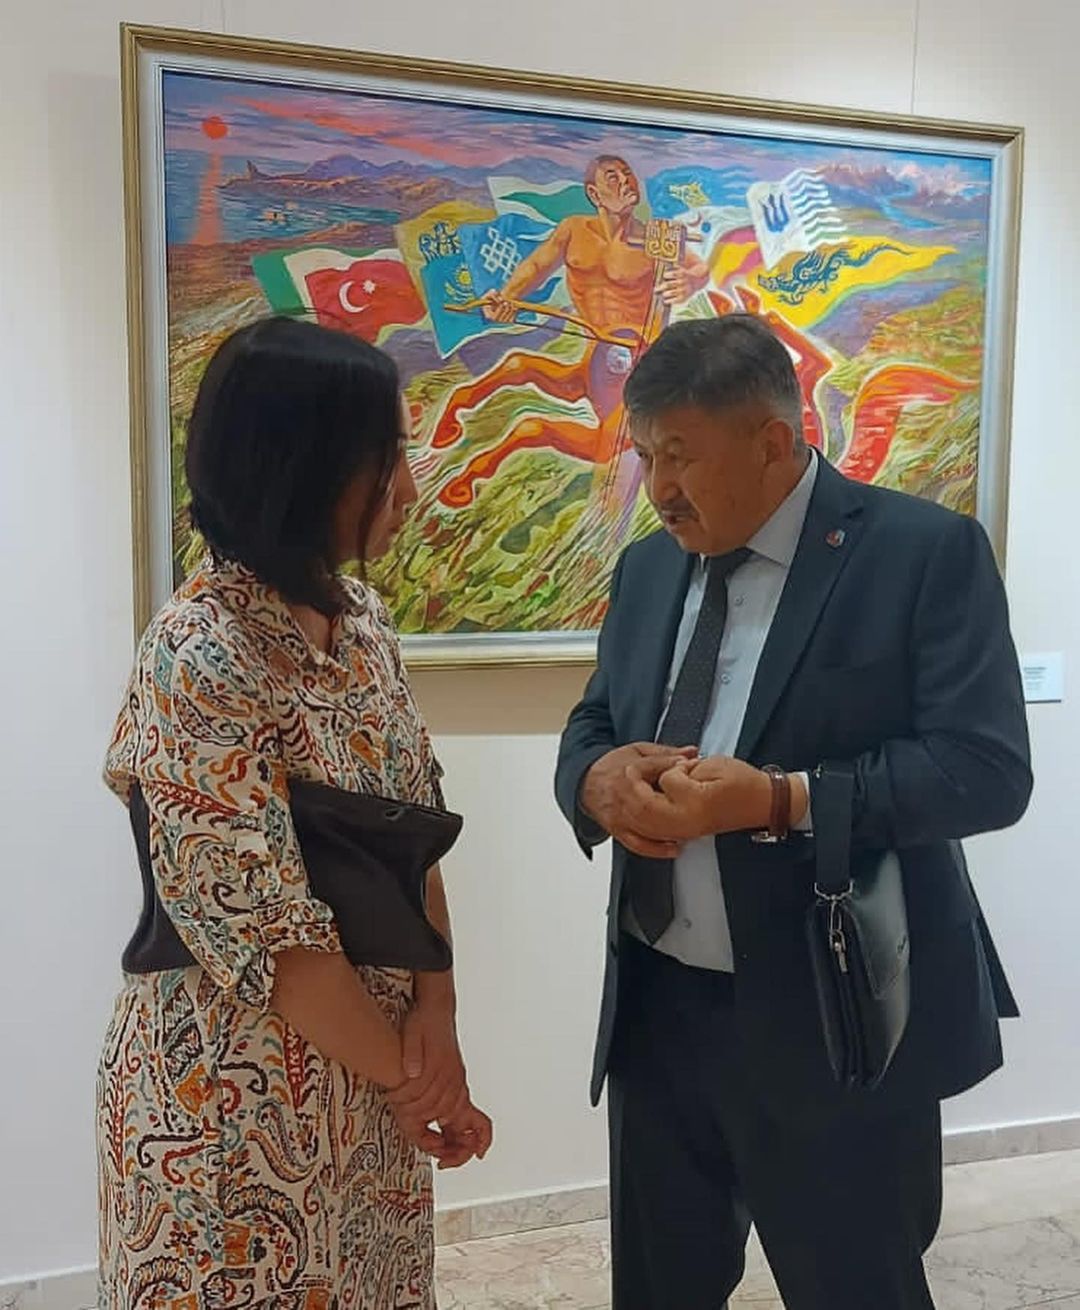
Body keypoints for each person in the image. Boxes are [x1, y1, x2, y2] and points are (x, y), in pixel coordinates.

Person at [554, 314, 1031, 1310]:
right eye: (645, 456)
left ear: (773, 441)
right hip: (658, 1011)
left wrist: (781, 799)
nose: (658, 488)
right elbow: (597, 717)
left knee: (856, 1285)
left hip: (835, 1013)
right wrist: (594, 780)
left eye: (679, 455)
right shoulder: (650, 568)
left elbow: (985, 769)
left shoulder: (920, 552)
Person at [98, 318, 492, 1310]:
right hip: (233, 1104)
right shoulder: (198, 652)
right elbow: (270, 938)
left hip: (371, 1083)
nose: (408, 490)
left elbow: (416, 839)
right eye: (386, 460)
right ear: (305, 468)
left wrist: (437, 1018)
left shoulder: (366, 631)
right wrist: (418, 1080)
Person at [431, 155, 709, 507]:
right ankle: (458, 405)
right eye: (613, 177)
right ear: (594, 193)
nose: (626, 182)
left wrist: (690, 281)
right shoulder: (574, 230)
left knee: (573, 439)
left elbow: (698, 268)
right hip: (597, 354)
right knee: (518, 366)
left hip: (639, 366)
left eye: (628, 175)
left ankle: (475, 472)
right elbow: (537, 264)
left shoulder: (658, 236)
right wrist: (508, 297)